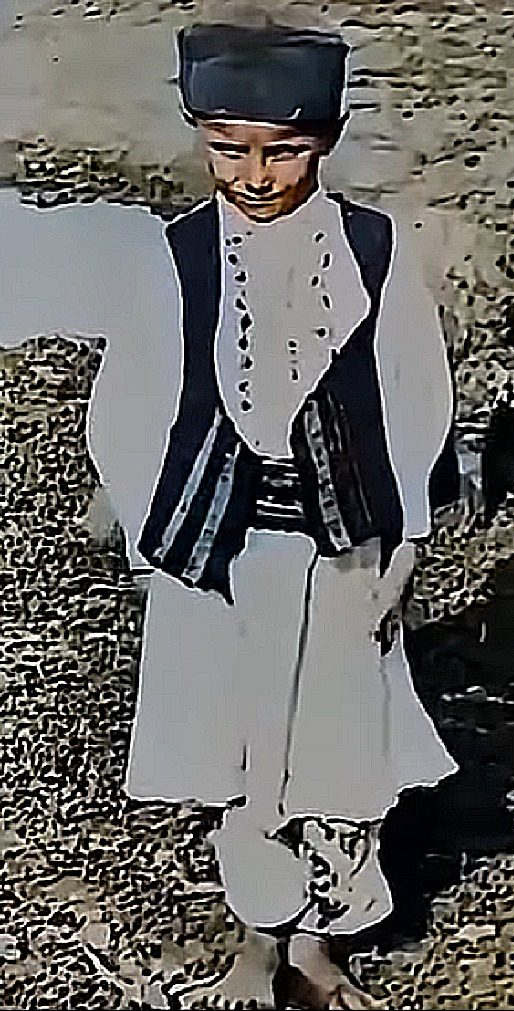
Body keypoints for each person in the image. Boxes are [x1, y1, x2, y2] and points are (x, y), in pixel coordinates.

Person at [84, 22, 460, 1009]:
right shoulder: (176, 258)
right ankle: (257, 942)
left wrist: (402, 550)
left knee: (337, 744)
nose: (255, 175)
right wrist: (161, 544)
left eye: (283, 150)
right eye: (230, 149)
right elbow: (126, 411)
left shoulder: (374, 252)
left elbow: (416, 400)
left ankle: (317, 947)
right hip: (221, 553)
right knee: (239, 750)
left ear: (325, 140)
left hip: (340, 548)